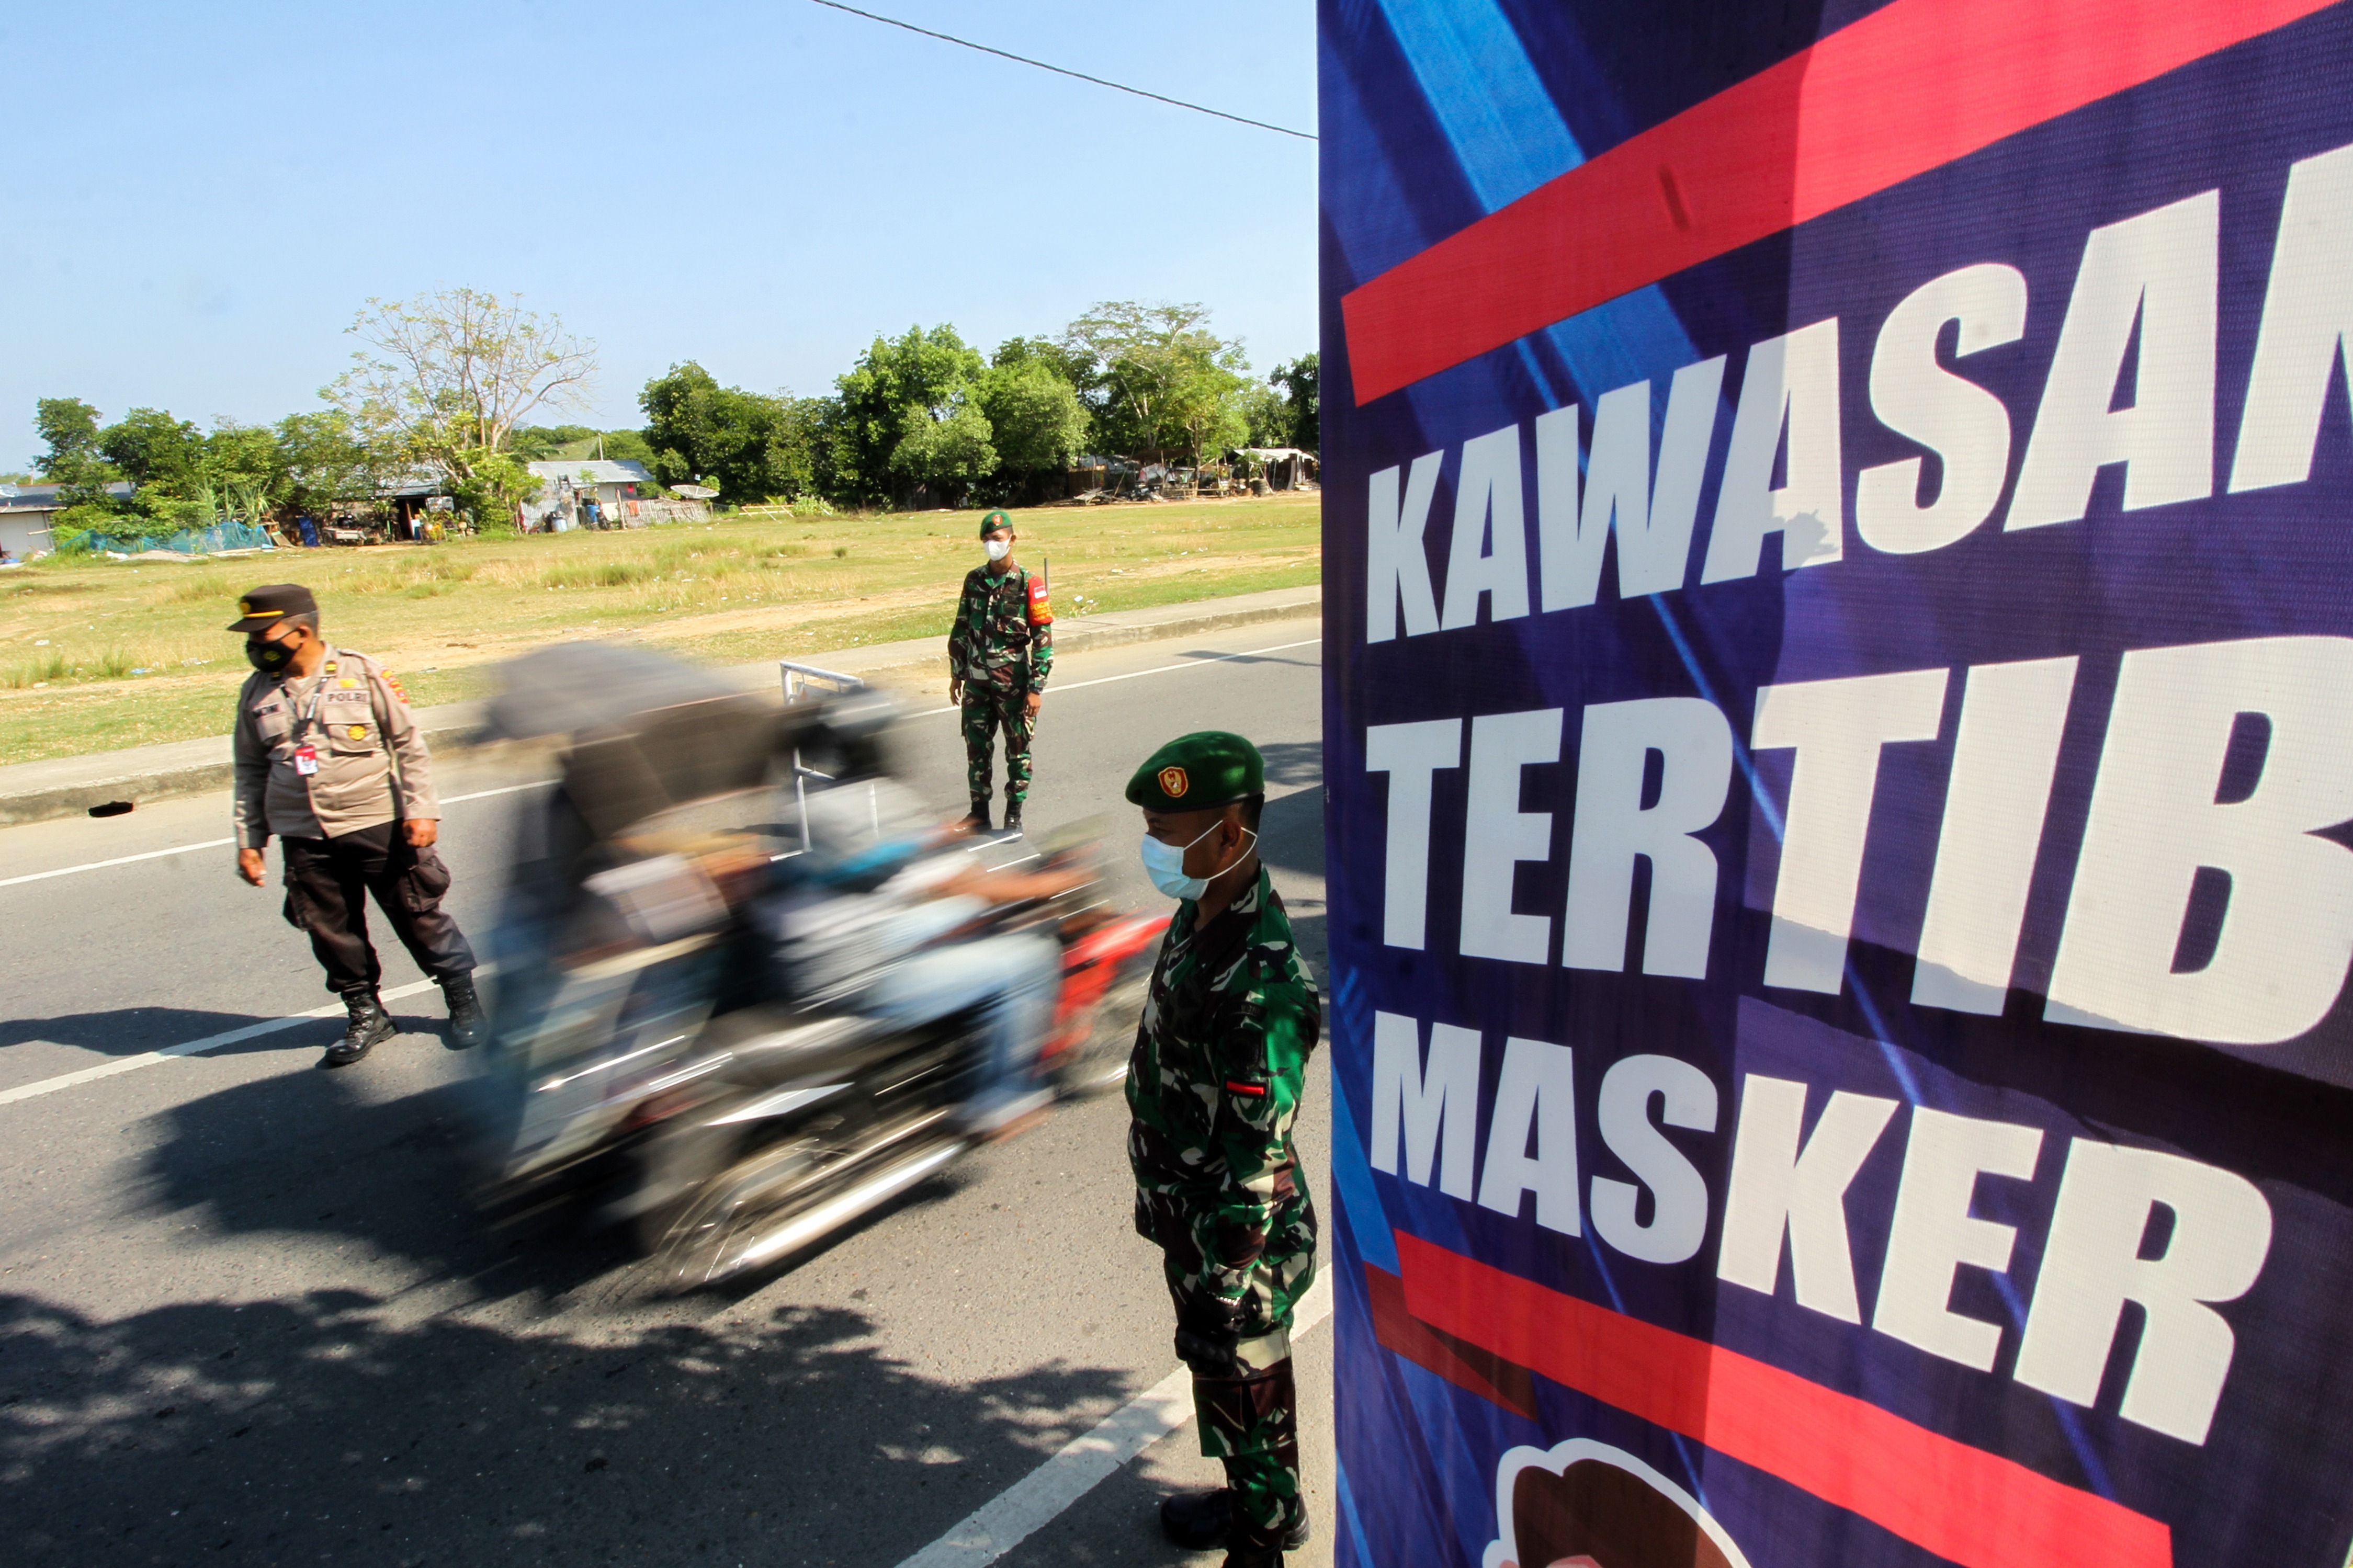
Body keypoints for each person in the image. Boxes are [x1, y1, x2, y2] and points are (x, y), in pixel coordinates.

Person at [1124, 732, 1320, 1566]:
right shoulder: (1202, 906)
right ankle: (1252, 1498)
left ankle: (1265, 1537)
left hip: (1233, 1235)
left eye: (1169, 832)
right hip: (1192, 1209)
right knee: (1221, 1374)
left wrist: (1226, 1283)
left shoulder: (1261, 984)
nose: (1153, 849)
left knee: (1244, 1374)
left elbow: (1258, 1166)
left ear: (1231, 835)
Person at [227, 584, 485, 1066]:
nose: (253, 645)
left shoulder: (362, 674)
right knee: (329, 929)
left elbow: (408, 744)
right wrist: (251, 840)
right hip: (303, 833)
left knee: (417, 914)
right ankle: (367, 1013)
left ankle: (462, 1002)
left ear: (299, 631)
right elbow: (250, 769)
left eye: (263, 635)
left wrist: (421, 810)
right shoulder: (257, 691)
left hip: (377, 822)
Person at [947, 509, 1051, 837]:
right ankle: (979, 814)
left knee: (1017, 750)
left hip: (1014, 687)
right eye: (988, 540)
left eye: (998, 539)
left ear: (1012, 540)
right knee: (976, 749)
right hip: (977, 683)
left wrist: (1036, 688)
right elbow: (962, 628)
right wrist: (957, 673)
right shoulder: (974, 580)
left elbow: (1044, 640)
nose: (993, 544)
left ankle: (1013, 814)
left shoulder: (1029, 583)